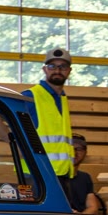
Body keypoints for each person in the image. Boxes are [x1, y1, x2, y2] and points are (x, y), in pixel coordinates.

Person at [27, 48, 78, 179]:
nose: (57, 71)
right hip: (36, 174)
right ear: (45, 69)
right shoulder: (31, 96)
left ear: (69, 71)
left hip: (60, 173)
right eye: (52, 66)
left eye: (63, 67)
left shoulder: (62, 98)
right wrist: (18, 145)